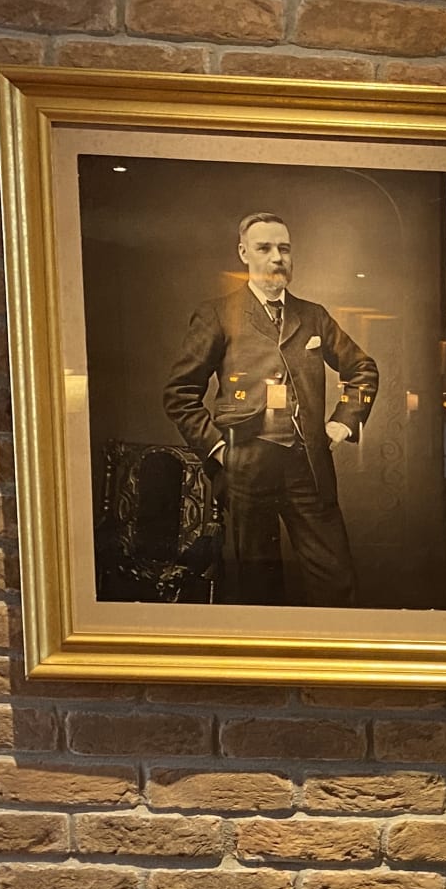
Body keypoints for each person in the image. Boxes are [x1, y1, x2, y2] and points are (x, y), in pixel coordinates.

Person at [163, 211, 378, 606]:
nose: (277, 257)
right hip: (246, 467)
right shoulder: (217, 314)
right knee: (258, 587)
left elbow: (362, 369)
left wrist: (342, 424)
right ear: (243, 253)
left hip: (307, 466)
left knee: (336, 580)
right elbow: (180, 394)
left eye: (284, 248)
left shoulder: (313, 316)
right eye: (264, 248)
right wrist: (220, 450)